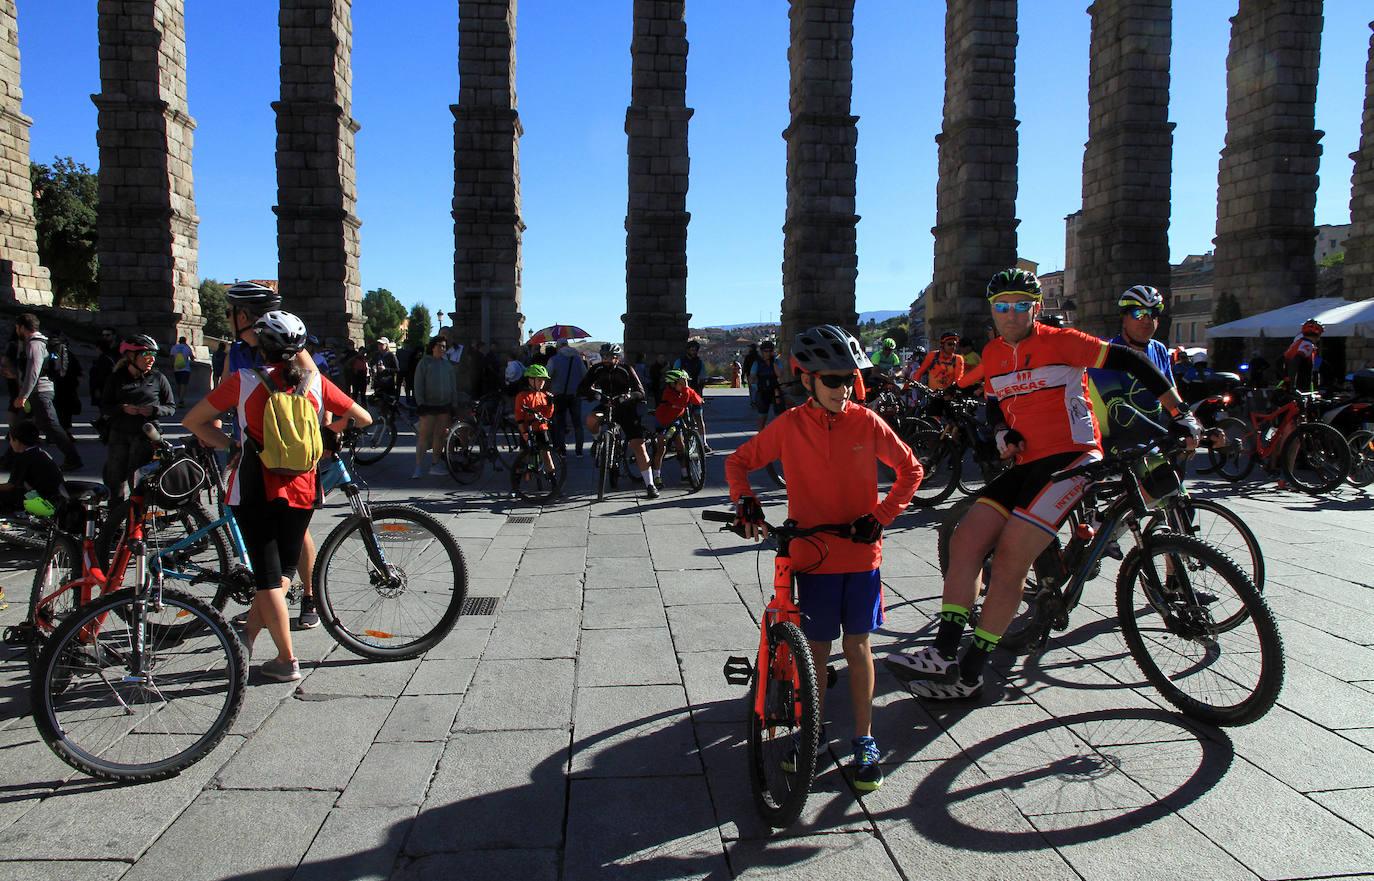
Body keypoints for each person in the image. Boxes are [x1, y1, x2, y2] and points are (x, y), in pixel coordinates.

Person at [885, 268, 1199, 700]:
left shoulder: (1062, 341)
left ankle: (972, 670)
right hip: (1028, 462)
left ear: (1035, 307)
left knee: (1013, 552)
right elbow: (995, 403)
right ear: (991, 311)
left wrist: (1181, 413)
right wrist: (1001, 434)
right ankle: (942, 651)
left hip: (1074, 457)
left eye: (1020, 305)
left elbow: (1132, 361)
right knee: (965, 537)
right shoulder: (993, 353)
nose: (1010, 314)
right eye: (1002, 306)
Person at [726, 324, 922, 793]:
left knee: (858, 647)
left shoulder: (867, 421)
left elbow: (911, 470)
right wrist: (745, 502)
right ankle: (807, 735)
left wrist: (881, 515)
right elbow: (737, 462)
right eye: (832, 380)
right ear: (807, 379)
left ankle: (864, 738)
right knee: (814, 652)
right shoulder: (790, 425)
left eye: (850, 378)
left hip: (859, 554)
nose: (844, 388)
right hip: (812, 556)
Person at [185, 311, 370, 682]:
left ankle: (286, 660)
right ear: (301, 348)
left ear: (262, 347)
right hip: (303, 486)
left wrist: (232, 444)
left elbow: (194, 421)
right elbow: (362, 417)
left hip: (255, 485)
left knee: (267, 578)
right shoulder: (316, 383)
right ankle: (247, 637)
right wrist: (327, 434)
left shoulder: (244, 381)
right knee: (283, 572)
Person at [1088, 285, 1176, 448]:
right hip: (1112, 441)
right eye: (1139, 313)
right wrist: (1164, 436)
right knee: (1159, 470)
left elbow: (1173, 399)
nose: (1147, 320)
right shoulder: (1107, 352)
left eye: (1153, 313)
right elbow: (1118, 409)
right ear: (1124, 317)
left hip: (1150, 439)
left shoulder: (1160, 350)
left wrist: (1194, 425)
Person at [100, 334, 176, 503]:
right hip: (119, 434)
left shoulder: (158, 378)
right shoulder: (116, 378)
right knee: (115, 480)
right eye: (146, 355)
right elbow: (104, 406)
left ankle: (137, 522)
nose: (151, 360)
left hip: (145, 436)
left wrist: (154, 410)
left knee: (139, 482)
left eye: (153, 356)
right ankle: (115, 520)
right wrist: (122, 408)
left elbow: (171, 407)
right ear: (130, 356)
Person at [578, 343, 657, 498]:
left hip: (626, 408)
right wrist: (595, 395)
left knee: (638, 446)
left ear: (617, 358)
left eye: (610, 357)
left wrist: (628, 396)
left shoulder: (626, 369)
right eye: (604, 356)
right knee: (591, 419)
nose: (606, 359)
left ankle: (650, 484)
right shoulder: (597, 369)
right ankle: (597, 441)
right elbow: (582, 387)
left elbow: (640, 391)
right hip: (606, 405)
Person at [13, 313, 82, 472]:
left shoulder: (35, 343)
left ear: (23, 327)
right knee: (21, 426)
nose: (16, 329)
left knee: (52, 426)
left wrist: (23, 395)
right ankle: (11, 459)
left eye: (17, 327)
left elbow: (33, 371)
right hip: (38, 391)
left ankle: (73, 458)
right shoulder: (37, 341)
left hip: (40, 391)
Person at [412, 335, 459, 479]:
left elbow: (453, 386)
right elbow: (418, 384)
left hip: (444, 406)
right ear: (432, 347)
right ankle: (418, 467)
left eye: (444, 346)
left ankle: (435, 463)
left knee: (439, 436)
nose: (442, 348)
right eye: (439, 345)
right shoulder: (424, 363)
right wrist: (420, 403)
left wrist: (454, 403)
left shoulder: (447, 365)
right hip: (428, 405)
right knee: (423, 437)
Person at [650, 368, 703, 486]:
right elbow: (682, 403)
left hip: (675, 421)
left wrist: (698, 399)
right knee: (661, 448)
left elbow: (696, 399)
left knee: (681, 447)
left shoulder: (684, 390)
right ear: (672, 384)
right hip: (662, 421)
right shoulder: (667, 393)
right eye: (681, 383)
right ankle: (656, 475)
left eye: (685, 383)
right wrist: (686, 389)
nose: (684, 385)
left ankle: (684, 474)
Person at [0, 421, 65, 513]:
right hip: (57, 500)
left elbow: (10, 486)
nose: (10, 443)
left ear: (17, 441)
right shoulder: (39, 452)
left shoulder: (23, 458)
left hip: (44, 506)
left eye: (11, 440)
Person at [513, 364, 557, 491]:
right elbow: (519, 416)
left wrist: (550, 403)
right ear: (530, 380)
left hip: (541, 428)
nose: (542, 383)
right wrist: (524, 433)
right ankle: (516, 484)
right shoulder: (522, 396)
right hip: (527, 428)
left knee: (547, 454)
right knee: (523, 456)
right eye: (539, 380)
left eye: (543, 380)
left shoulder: (543, 395)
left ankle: (553, 481)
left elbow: (547, 415)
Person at [547, 340, 587, 457]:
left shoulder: (554, 360)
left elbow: (547, 375)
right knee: (577, 423)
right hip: (575, 395)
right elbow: (585, 375)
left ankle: (561, 450)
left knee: (559, 423)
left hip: (559, 395)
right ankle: (579, 451)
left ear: (558, 347)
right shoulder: (578, 359)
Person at [674, 339, 711, 452]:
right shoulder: (680, 361)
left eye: (695, 350)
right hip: (682, 393)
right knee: (679, 418)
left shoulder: (699, 362)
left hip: (695, 392)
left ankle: (703, 443)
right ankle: (678, 442)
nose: (693, 351)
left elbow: (702, 375)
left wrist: (702, 381)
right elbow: (674, 375)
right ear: (687, 350)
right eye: (691, 349)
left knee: (699, 418)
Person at [747, 339, 786, 431]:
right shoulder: (757, 363)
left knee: (779, 415)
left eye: (770, 351)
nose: (768, 353)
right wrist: (755, 386)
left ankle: (779, 435)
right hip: (762, 391)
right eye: (766, 351)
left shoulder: (776, 362)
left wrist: (773, 362)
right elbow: (752, 377)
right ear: (762, 352)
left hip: (775, 391)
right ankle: (761, 437)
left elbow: (779, 374)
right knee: (762, 416)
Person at [49, 331, 82, 432]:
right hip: (57, 386)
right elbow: (50, 367)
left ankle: (65, 431)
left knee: (65, 411)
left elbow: (77, 370)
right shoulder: (53, 354)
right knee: (57, 410)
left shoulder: (68, 355)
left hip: (67, 387)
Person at [1284, 319, 1323, 394]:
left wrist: (1287, 381)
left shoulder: (1296, 343)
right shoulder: (1307, 345)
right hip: (1300, 388)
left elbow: (1280, 361)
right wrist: (1292, 386)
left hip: (1291, 385)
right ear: (1318, 335)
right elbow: (1295, 361)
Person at [170, 335, 194, 406]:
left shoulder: (174, 347)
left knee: (178, 384)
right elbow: (192, 358)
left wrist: (172, 366)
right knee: (184, 384)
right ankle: (181, 400)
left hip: (176, 369)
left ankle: (179, 399)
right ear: (185, 341)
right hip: (185, 369)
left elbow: (171, 357)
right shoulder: (187, 347)